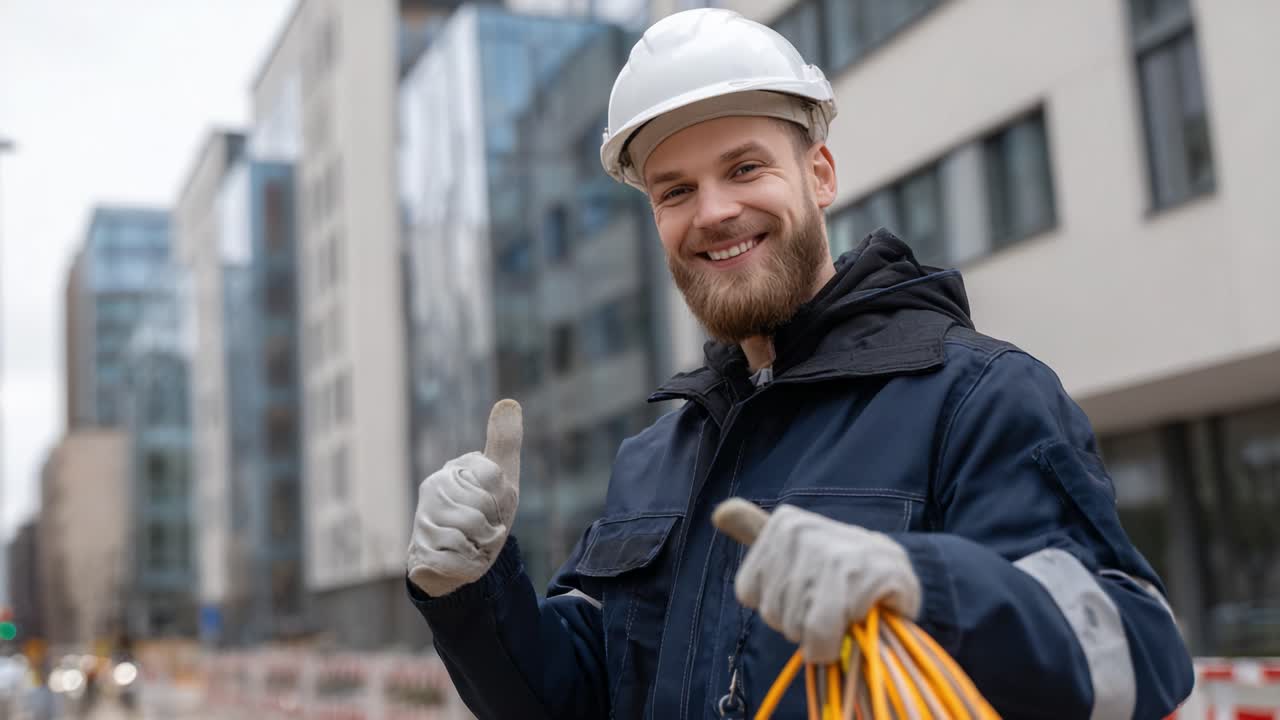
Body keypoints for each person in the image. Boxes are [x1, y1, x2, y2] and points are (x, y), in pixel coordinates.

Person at [405, 8, 1193, 719]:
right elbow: (565, 701)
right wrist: (472, 589)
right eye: (675, 191)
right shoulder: (653, 461)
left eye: (745, 169)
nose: (713, 212)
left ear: (819, 176)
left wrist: (923, 584)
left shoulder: (979, 400)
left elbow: (1140, 651)